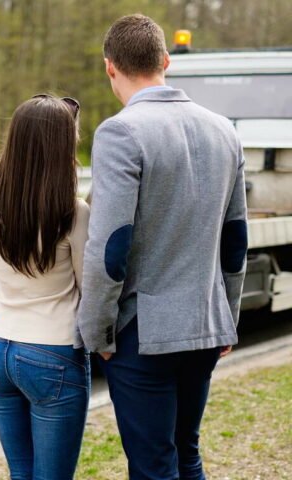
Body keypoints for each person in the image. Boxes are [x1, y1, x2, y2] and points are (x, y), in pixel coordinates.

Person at [76, 14, 247, 480]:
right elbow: (235, 238)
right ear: (166, 60)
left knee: (153, 465)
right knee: (185, 453)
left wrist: (97, 331)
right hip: (206, 325)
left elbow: (111, 245)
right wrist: (227, 315)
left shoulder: (120, 132)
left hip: (142, 335)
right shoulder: (224, 130)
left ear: (110, 67)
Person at [0, 94, 90, 480]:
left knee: (21, 475)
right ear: (60, 150)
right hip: (52, 352)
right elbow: (89, 287)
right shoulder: (72, 212)